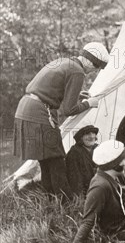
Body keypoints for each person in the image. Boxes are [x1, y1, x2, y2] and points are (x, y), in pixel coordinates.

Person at [13, 42, 109, 200]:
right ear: (88, 61)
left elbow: (50, 90)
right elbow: (67, 110)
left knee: (46, 162)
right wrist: (88, 104)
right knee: (57, 162)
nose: (95, 71)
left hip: (26, 109)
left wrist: (78, 96)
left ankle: (52, 201)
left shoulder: (65, 62)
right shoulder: (78, 71)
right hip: (39, 113)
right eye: (96, 66)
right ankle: (67, 203)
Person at [65, 125, 99, 195]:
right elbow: (75, 178)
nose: (92, 136)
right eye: (88, 134)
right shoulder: (74, 152)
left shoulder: (98, 148)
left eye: (93, 133)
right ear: (81, 138)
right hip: (85, 190)